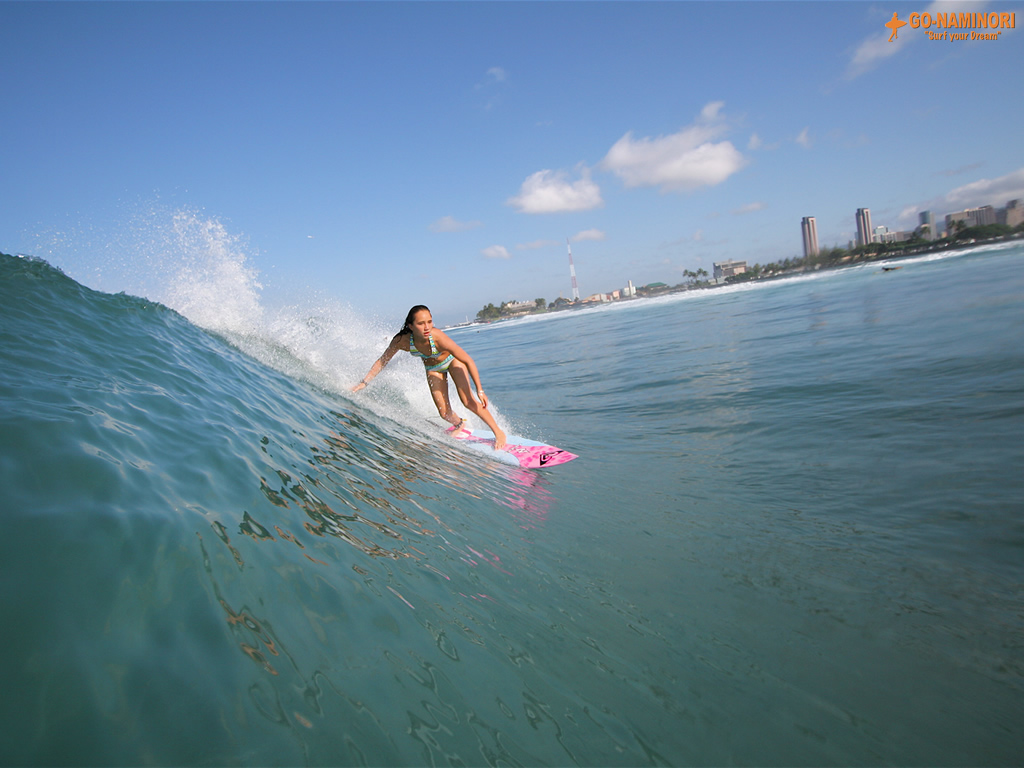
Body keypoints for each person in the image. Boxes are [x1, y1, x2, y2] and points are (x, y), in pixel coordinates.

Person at [352, 305, 507, 450]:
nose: (427, 327)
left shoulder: (437, 337)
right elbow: (382, 360)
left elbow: (467, 359)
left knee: (467, 401)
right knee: (444, 413)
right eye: (421, 323)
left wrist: (480, 390)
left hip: (453, 361)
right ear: (411, 326)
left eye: (429, 322)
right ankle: (459, 424)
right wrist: (364, 382)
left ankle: (498, 432)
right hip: (433, 368)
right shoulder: (402, 341)